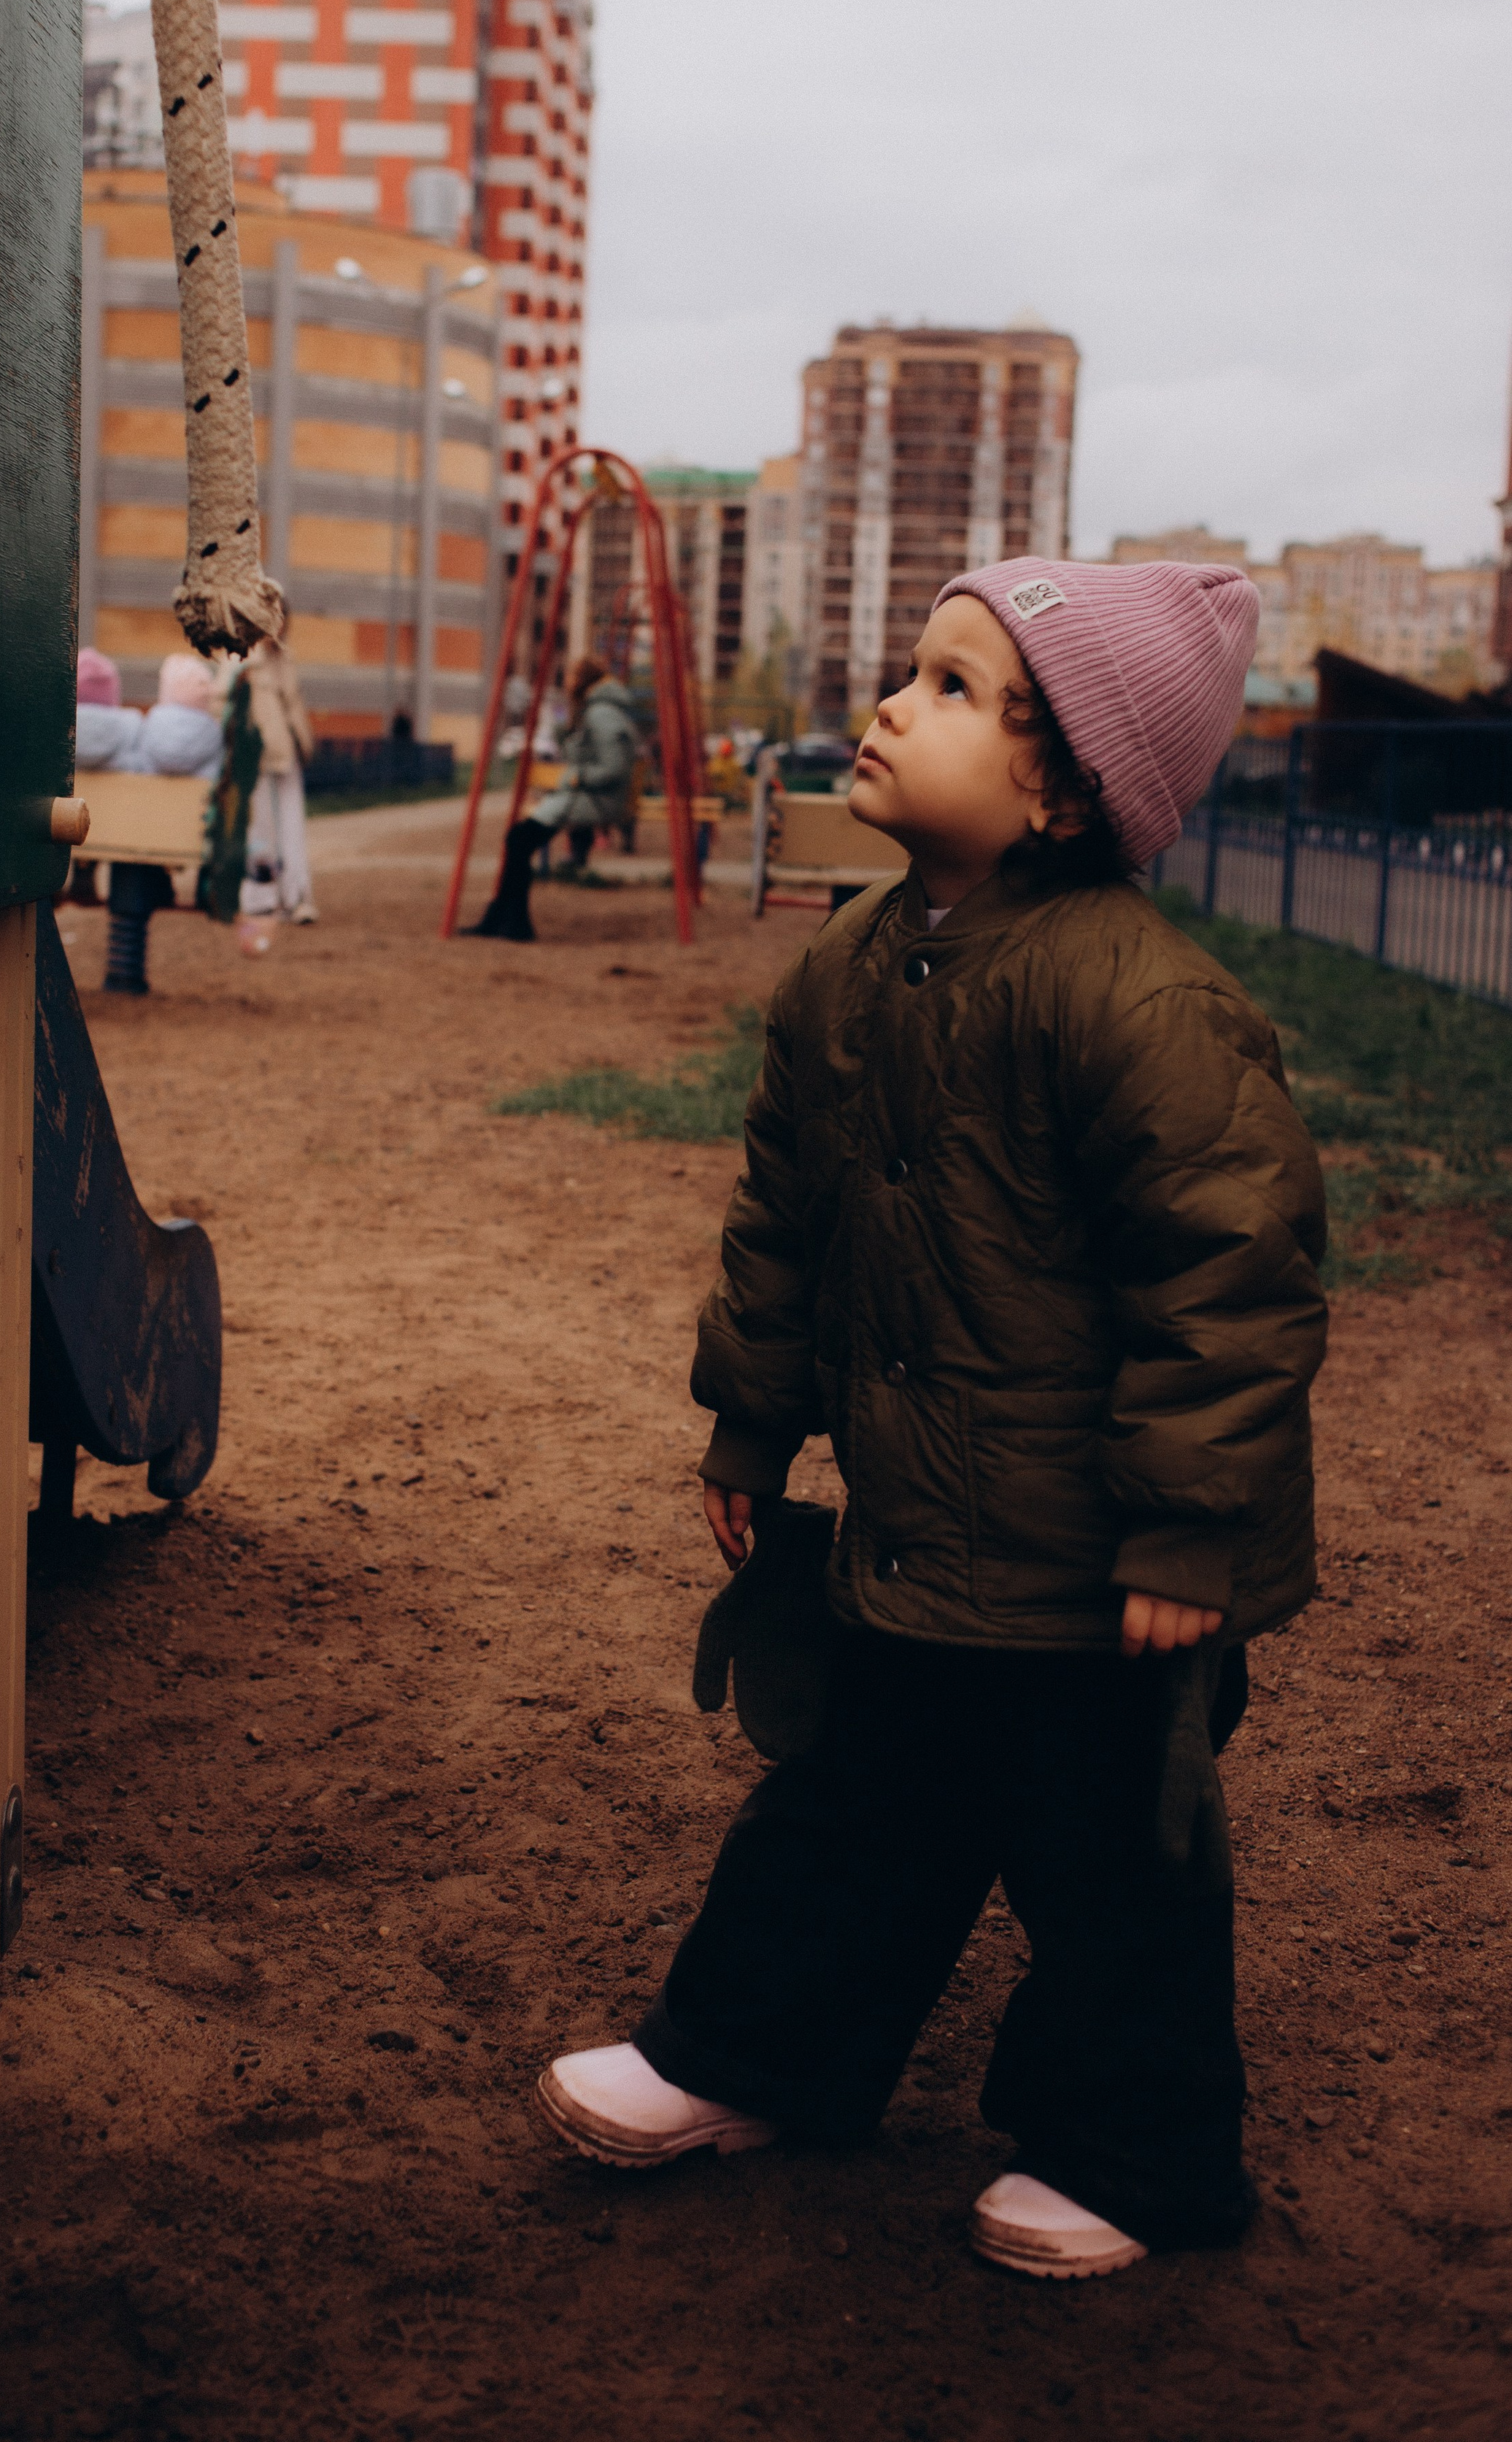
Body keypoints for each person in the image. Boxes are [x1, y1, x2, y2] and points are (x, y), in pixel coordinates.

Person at [533, 556, 1328, 2281]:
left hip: (1089, 1568)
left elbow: (1232, 1277)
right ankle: (742, 2057)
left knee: (1115, 1870)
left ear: (1060, 789)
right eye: (911, 668)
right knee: (843, 1814)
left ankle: (1135, 2152)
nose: (892, 702)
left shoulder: (1136, 1000)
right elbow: (783, 1222)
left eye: (956, 687)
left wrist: (1189, 1529)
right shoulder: (842, 971)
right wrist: (752, 1423)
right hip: (911, 1533)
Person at [464, 656, 640, 941]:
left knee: (519, 840)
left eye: (570, 675)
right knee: (519, 840)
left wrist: (575, 777)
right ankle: (501, 916)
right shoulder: (597, 710)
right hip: (590, 796)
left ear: (584, 680)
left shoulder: (602, 713)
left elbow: (614, 767)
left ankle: (515, 923)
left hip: (596, 800)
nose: (566, 681)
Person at [242, 633, 317, 925]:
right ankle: (261, 899)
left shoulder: (285, 657)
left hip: (286, 757)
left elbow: (294, 704)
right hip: (255, 759)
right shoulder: (242, 657)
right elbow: (223, 703)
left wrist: (305, 743)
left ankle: (296, 896)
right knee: (260, 830)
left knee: (290, 828)